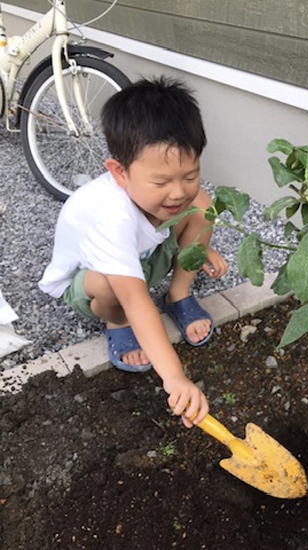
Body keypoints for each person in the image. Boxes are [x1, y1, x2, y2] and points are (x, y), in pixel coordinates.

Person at [39, 77, 228, 428]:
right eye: (161, 182)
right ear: (119, 172)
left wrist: (204, 245)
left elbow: (188, 204)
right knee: (116, 291)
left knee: (203, 205)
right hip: (91, 282)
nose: (177, 192)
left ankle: (178, 294)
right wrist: (174, 376)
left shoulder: (161, 195)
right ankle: (116, 322)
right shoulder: (108, 216)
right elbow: (136, 298)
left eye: (190, 175)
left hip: (141, 256)